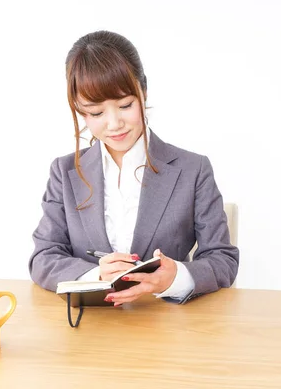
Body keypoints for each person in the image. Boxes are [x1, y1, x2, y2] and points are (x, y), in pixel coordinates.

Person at [29, 30, 238, 306]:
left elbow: (222, 259)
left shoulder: (193, 169)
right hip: (90, 328)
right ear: (80, 110)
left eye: (125, 105)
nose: (114, 124)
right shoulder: (64, 172)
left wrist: (176, 277)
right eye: (96, 112)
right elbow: (43, 257)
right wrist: (94, 276)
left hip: (166, 328)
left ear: (144, 91)